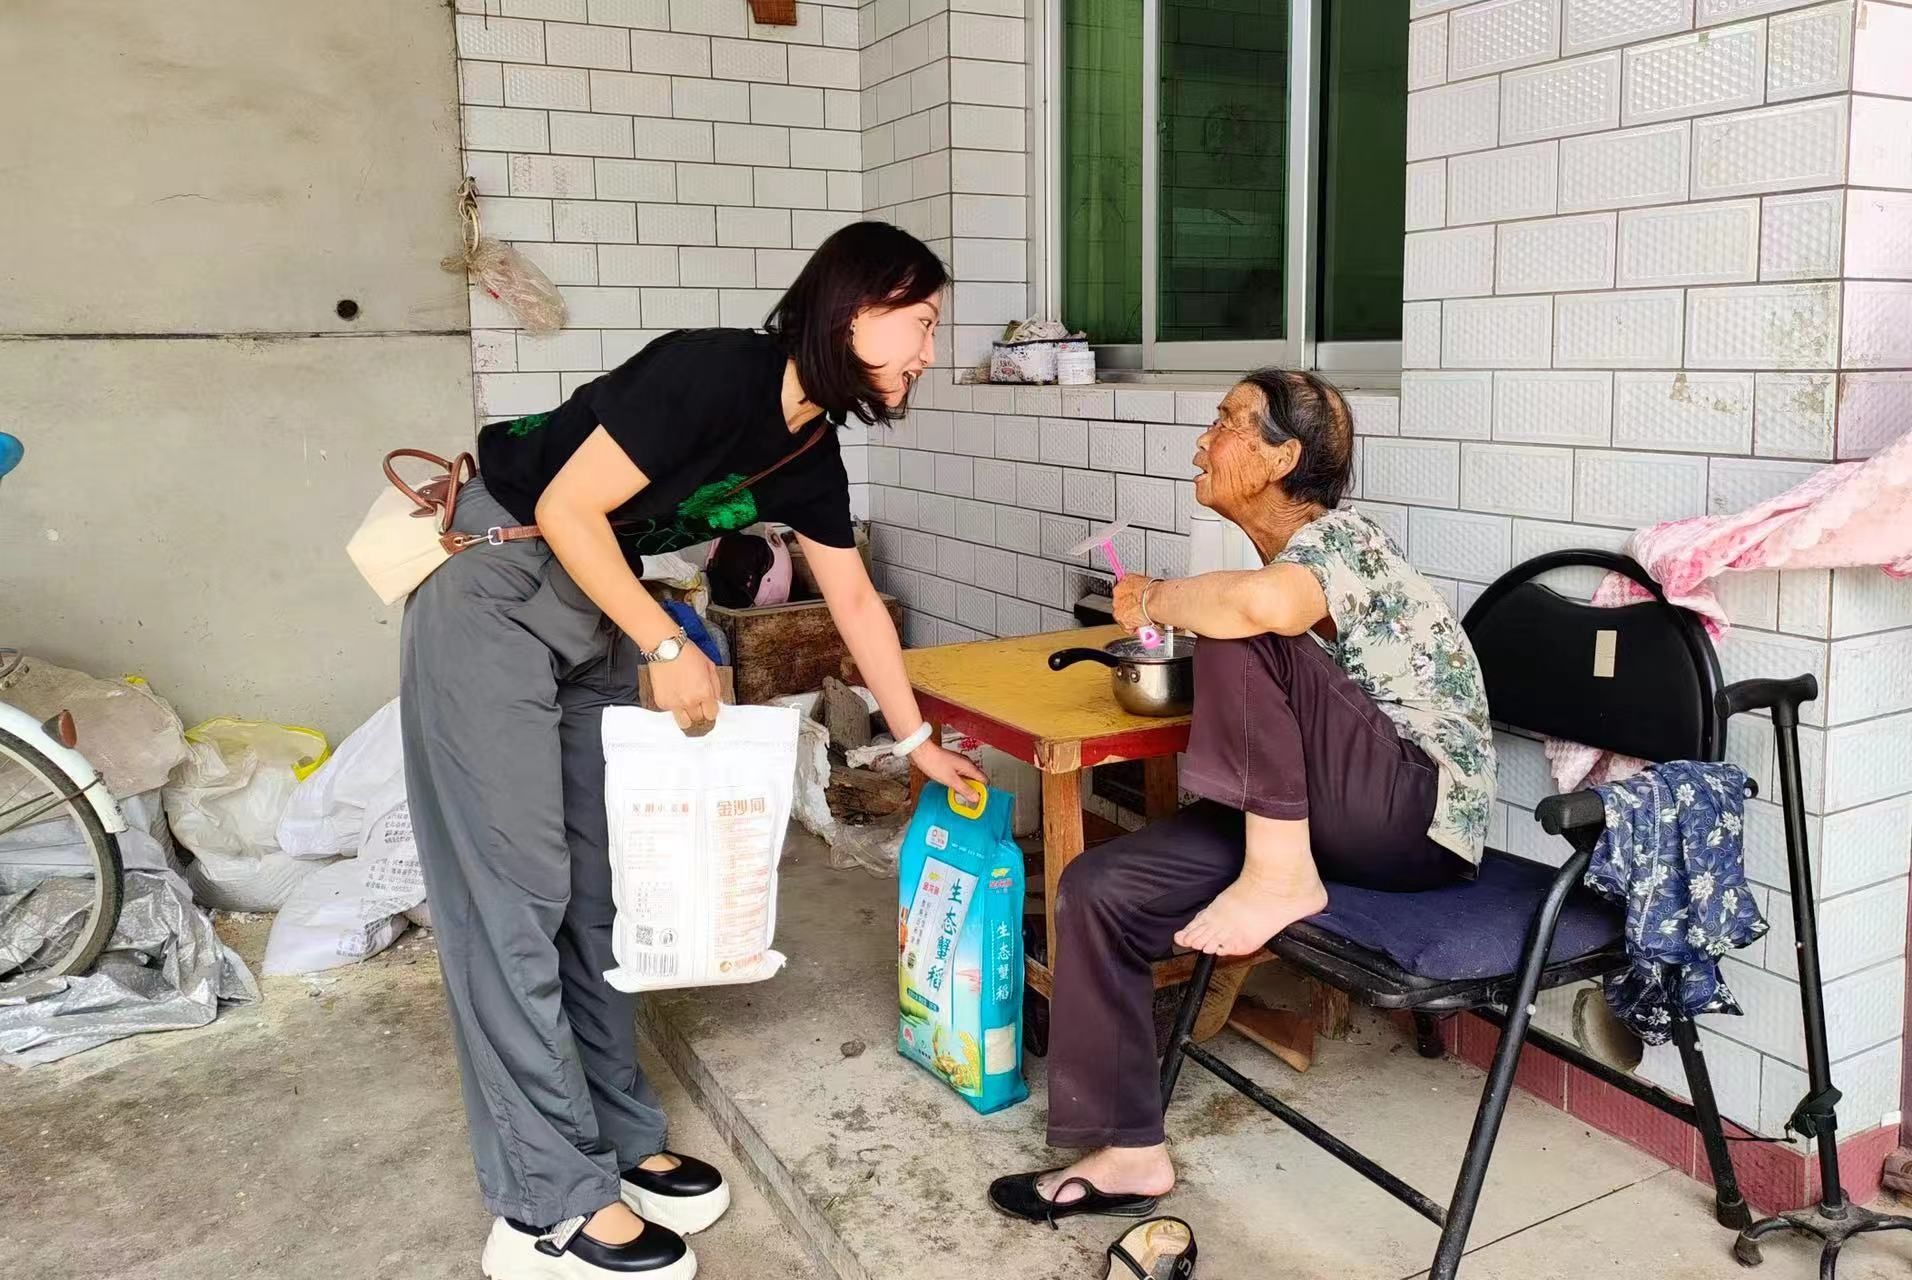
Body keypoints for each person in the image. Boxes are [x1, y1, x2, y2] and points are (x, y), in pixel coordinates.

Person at [401, 221, 986, 1280]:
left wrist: (913, 740)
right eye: (923, 322)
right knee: (512, 900)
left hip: (590, 606)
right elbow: (568, 504)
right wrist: (666, 643)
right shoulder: (715, 370)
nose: (929, 352)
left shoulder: (807, 450)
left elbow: (853, 599)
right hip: (494, 580)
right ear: (856, 310)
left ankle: (616, 1138)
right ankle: (545, 1204)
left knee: (595, 892)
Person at [989, 369, 1496, 1226]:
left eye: (1226, 423)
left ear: (1281, 458)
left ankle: (1277, 874)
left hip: (1414, 814)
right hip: (1320, 817)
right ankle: (1129, 1151)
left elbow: (1255, 611)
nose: (1203, 440)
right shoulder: (1286, 566)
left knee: (1238, 619)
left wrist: (1157, 597)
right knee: (1098, 889)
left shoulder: (1345, 539)